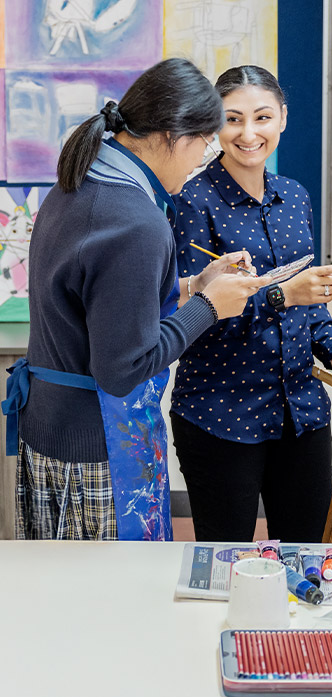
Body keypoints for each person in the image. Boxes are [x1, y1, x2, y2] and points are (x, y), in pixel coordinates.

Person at [1, 58, 263, 541]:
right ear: (172, 136)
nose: (201, 161)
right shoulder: (136, 219)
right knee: (113, 601)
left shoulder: (80, 178)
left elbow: (101, 299)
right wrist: (208, 308)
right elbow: (122, 367)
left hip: (50, 428)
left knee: (57, 595)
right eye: (204, 146)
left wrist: (193, 285)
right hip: (96, 444)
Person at [169, 64, 332, 543]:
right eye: (233, 120)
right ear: (213, 125)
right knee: (225, 565)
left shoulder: (295, 197)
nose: (249, 133)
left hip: (302, 412)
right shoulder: (192, 200)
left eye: (262, 117)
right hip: (219, 414)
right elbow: (194, 316)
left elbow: (309, 307)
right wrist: (280, 295)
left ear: (283, 119)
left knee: (307, 557)